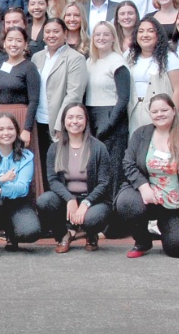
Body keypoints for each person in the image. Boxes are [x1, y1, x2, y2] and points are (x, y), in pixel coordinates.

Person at [115, 94, 179, 258]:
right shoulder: (141, 134)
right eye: (155, 111)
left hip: (176, 203)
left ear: (174, 110)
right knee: (127, 203)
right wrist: (144, 187)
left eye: (164, 110)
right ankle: (142, 240)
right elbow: (128, 163)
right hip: (148, 196)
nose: (160, 114)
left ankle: (167, 227)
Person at [38, 102, 112, 253]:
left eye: (79, 117)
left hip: (93, 200)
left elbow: (104, 183)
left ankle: (91, 234)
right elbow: (52, 180)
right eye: (70, 117)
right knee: (44, 201)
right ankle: (63, 235)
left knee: (92, 219)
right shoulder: (55, 148)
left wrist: (86, 202)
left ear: (86, 120)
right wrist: (70, 199)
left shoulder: (98, 148)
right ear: (64, 121)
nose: (75, 122)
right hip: (67, 199)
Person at [0, 112, 42, 257]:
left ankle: (12, 233)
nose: (6, 133)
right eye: (1, 129)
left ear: (16, 131)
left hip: (16, 203)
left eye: (10, 129)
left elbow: (22, 188)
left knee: (31, 232)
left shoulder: (26, 156)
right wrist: (1, 179)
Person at [0, 27, 43, 193]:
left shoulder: (29, 68)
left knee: (22, 158)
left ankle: (28, 200)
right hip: (1, 117)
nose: (14, 44)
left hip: (21, 117)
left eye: (19, 40)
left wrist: (27, 129)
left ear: (25, 44)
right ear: (4, 43)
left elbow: (34, 100)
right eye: (10, 40)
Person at [32, 18, 88, 159]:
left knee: (59, 164)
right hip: (37, 120)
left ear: (65, 34)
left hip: (58, 121)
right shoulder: (37, 57)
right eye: (48, 31)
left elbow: (74, 95)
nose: (51, 35)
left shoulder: (75, 58)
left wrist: (61, 123)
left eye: (56, 31)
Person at [84, 22, 131, 173]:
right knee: (96, 165)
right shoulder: (89, 61)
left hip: (112, 118)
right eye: (97, 34)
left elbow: (124, 98)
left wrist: (110, 124)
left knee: (112, 165)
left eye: (106, 34)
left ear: (113, 38)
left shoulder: (117, 62)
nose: (101, 38)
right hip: (92, 116)